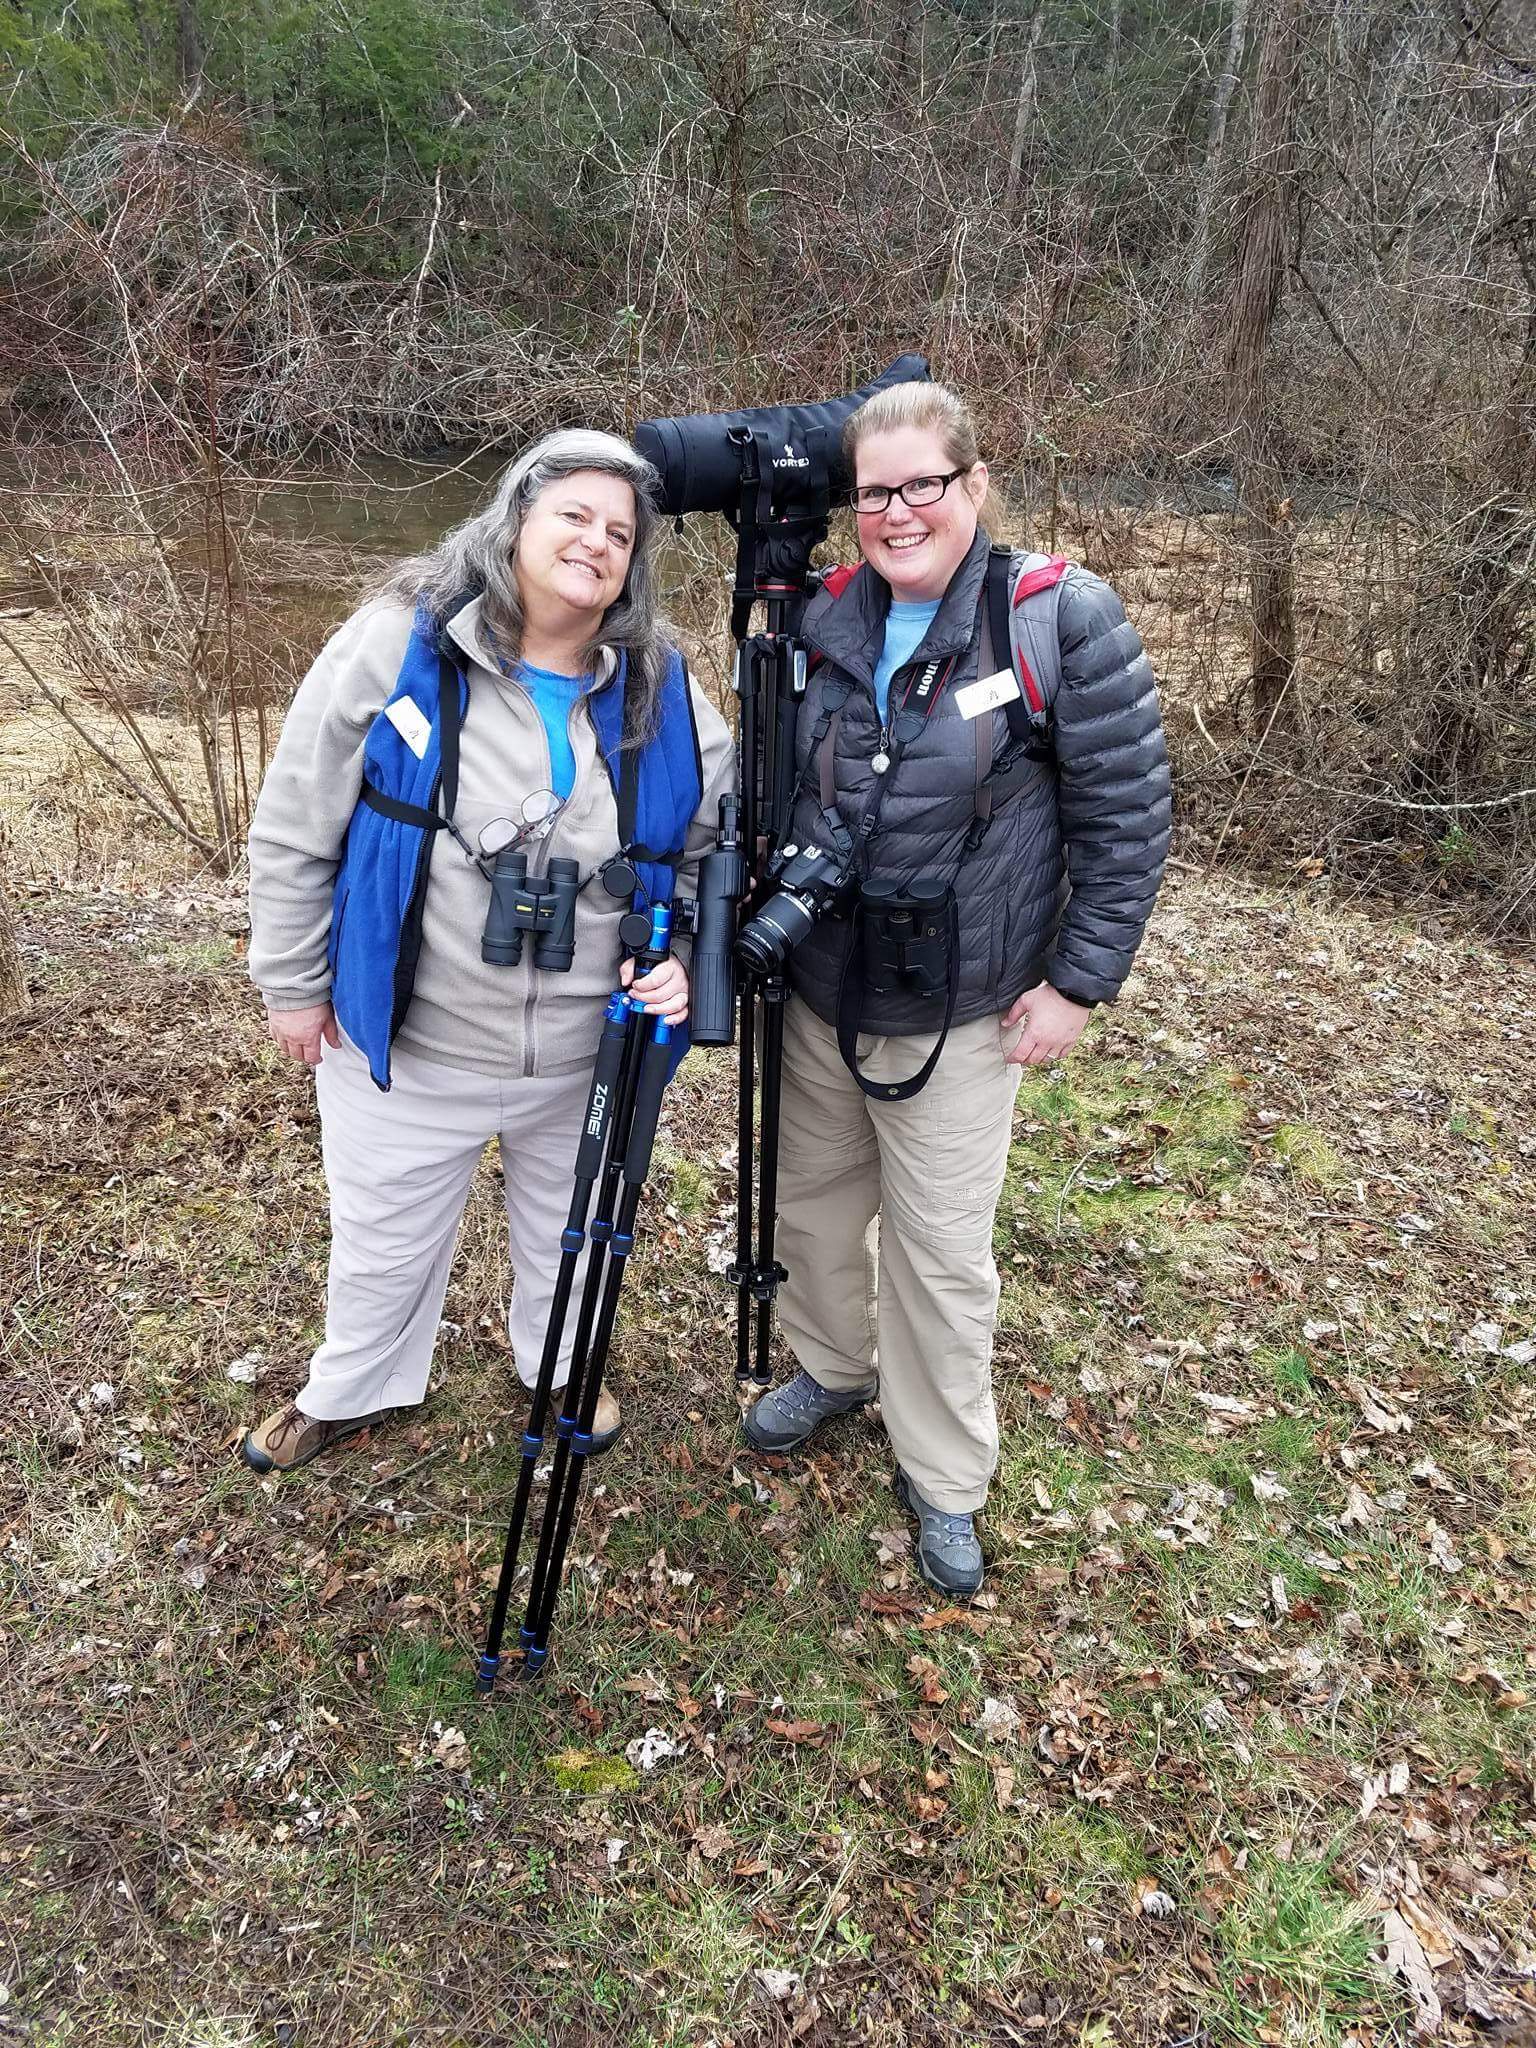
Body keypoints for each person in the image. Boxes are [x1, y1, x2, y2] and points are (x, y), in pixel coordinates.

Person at [742, 381, 1170, 1595]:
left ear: (974, 483)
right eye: (874, 491)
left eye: (922, 484)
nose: (897, 512)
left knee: (938, 1252)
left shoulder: (1056, 617)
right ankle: (833, 1366)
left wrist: (1077, 984)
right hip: (824, 988)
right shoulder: (820, 615)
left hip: (966, 1001)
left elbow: (1128, 818)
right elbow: (768, 785)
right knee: (812, 1208)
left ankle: (943, 1473)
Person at [242, 430, 734, 1473]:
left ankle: (559, 1366)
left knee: (576, 1225)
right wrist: (291, 981)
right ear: (514, 520)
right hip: (414, 1035)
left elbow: (711, 844)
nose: (595, 543)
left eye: (620, 533)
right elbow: (296, 819)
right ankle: (355, 1385)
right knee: (383, 1238)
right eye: (574, 516)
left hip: (590, 1050)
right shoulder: (400, 641)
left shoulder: (662, 683)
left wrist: (687, 949)